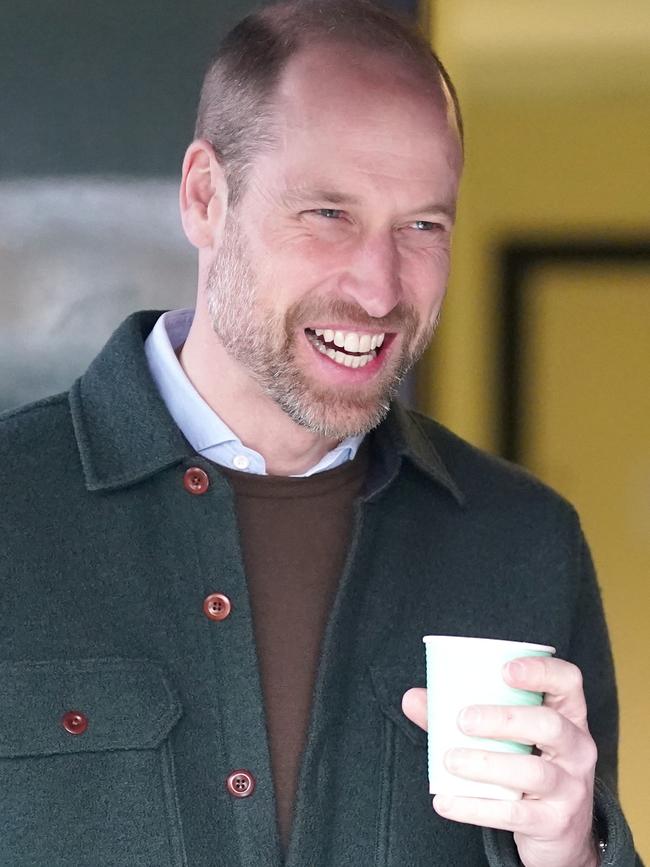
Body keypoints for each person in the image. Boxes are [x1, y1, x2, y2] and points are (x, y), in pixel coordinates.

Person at [0, 2, 641, 865]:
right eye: (329, 213)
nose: (379, 290)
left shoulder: (526, 542)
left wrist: (575, 850)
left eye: (422, 225)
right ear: (204, 199)